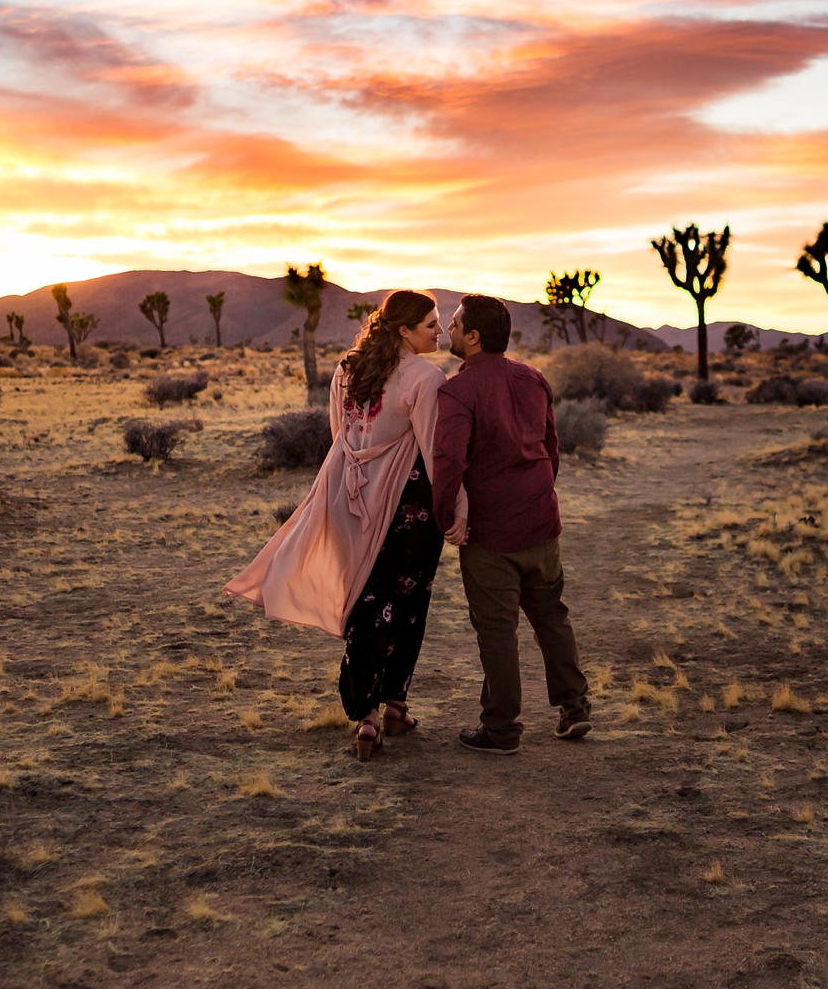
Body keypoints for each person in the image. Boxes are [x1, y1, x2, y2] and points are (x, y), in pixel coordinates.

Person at [225, 290, 466, 760]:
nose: (438, 332)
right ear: (403, 331)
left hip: (345, 495)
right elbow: (436, 451)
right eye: (430, 324)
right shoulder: (426, 377)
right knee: (409, 602)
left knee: (364, 601)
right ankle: (394, 702)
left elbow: (340, 436)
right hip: (405, 506)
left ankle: (368, 715)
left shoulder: (346, 369)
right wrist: (454, 507)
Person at [431, 293, 591, 754]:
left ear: (474, 337)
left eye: (457, 324)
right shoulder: (533, 379)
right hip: (542, 522)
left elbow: (448, 462)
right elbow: (552, 449)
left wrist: (447, 518)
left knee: (497, 631)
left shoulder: (458, 391)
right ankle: (575, 708)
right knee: (552, 616)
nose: (450, 331)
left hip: (490, 534)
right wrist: (538, 497)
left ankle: (501, 729)